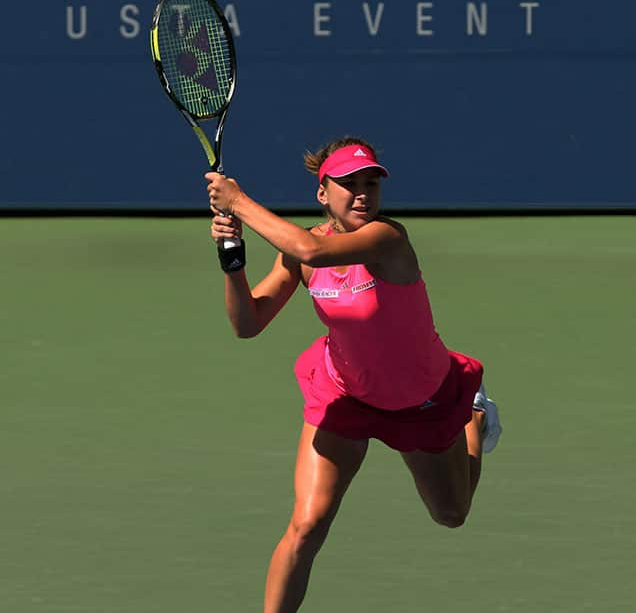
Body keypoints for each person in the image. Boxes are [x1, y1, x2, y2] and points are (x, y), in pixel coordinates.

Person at [204, 136, 502, 613]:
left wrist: (238, 200)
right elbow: (248, 323)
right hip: (345, 392)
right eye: (349, 185)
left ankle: (473, 417)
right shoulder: (301, 250)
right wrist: (232, 257)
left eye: (371, 184)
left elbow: (313, 252)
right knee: (306, 526)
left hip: (420, 398)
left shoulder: (388, 239)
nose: (363, 194)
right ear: (323, 194)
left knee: (452, 513)